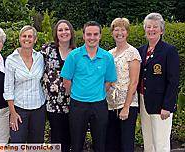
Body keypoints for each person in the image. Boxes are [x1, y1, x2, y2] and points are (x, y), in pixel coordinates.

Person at [60, 21, 117, 152]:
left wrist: (96, 93)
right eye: (89, 34)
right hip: (78, 105)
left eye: (95, 34)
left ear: (100, 36)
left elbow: (109, 81)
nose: (92, 37)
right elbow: (66, 80)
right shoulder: (74, 56)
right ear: (84, 36)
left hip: (99, 105)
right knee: (77, 144)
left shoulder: (107, 57)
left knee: (100, 144)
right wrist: (78, 92)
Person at [138, 13, 179, 152]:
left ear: (161, 30)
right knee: (148, 142)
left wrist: (167, 106)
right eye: (148, 26)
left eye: (155, 26)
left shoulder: (169, 50)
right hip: (144, 101)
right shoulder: (141, 51)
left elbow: (173, 81)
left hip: (161, 104)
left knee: (161, 144)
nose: (151, 29)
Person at [3, 25, 45, 143]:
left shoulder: (40, 58)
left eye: (30, 36)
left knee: (36, 145)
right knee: (17, 144)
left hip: (38, 108)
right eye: (24, 36)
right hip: (19, 109)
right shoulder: (11, 60)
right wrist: (12, 113)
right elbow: (8, 88)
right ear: (20, 38)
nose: (27, 39)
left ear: (35, 39)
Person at [106, 18, 141, 152]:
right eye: (116, 29)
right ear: (112, 32)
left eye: (123, 29)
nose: (119, 33)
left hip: (127, 104)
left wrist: (126, 107)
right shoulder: (109, 54)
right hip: (111, 104)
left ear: (127, 32)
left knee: (126, 144)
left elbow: (134, 82)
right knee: (111, 143)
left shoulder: (133, 53)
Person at [41, 19, 76, 152]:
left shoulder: (77, 52)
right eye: (60, 30)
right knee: (56, 136)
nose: (63, 32)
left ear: (71, 32)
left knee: (70, 137)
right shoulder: (47, 50)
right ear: (56, 33)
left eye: (66, 29)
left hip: (72, 102)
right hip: (53, 103)